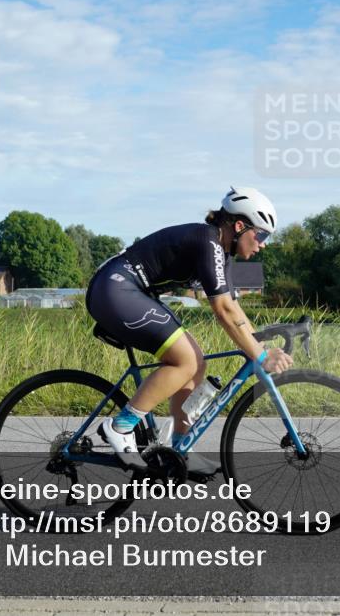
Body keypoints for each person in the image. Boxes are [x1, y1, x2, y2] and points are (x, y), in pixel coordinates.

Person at [85, 187, 294, 475]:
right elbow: (222, 310)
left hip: (131, 291)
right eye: (261, 235)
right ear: (238, 226)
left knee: (197, 361)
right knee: (186, 359)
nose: (263, 244)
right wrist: (260, 355)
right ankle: (121, 426)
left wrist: (257, 341)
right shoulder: (206, 242)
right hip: (115, 288)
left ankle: (181, 445)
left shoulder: (221, 252)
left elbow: (233, 307)